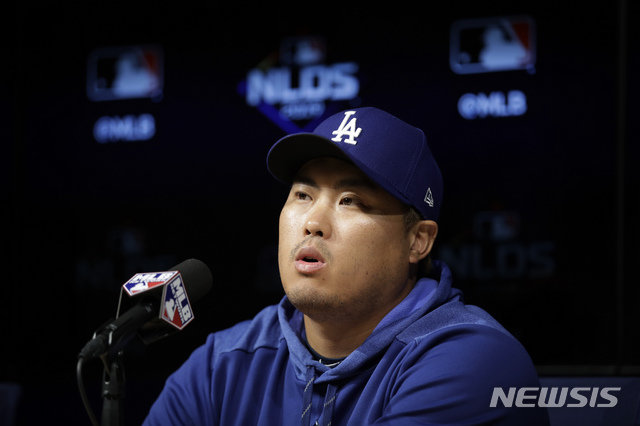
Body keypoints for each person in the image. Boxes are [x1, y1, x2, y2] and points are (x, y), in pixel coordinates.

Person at [143, 107, 550, 425]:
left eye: (350, 201)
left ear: (417, 241)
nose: (313, 223)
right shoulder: (222, 363)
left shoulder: (476, 361)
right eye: (302, 195)